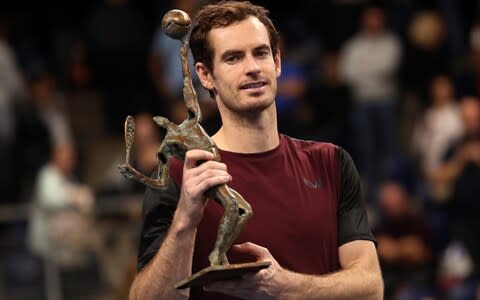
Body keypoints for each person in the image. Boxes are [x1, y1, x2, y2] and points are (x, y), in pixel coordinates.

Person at [129, 1, 382, 299]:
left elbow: (371, 288)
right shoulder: (179, 175)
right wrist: (184, 221)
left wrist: (285, 286)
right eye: (233, 58)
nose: (252, 68)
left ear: (276, 62)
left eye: (260, 53)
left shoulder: (330, 162)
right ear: (206, 75)